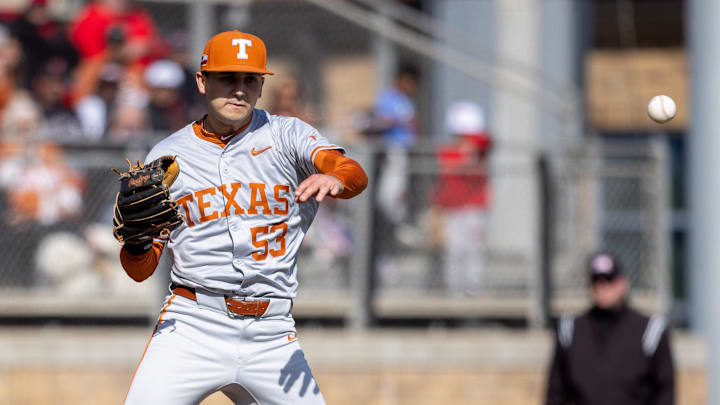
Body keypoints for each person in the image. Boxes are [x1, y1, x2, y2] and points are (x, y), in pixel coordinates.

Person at [119, 30, 368, 404]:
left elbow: (353, 173)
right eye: (227, 78)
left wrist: (334, 176)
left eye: (250, 79)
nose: (239, 90)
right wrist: (137, 244)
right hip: (193, 324)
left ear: (261, 86)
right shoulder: (168, 156)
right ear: (202, 81)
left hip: (272, 331)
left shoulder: (288, 135)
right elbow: (140, 270)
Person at [545, 251, 675, 405]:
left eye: (608, 280)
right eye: (596, 281)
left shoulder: (650, 330)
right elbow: (555, 391)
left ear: (623, 283)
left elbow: (665, 390)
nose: (602, 287)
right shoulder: (570, 330)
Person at [429, 101, 491, 295]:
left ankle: (473, 289)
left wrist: (471, 142)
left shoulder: (479, 148)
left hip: (474, 207)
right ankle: (455, 290)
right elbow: (445, 178)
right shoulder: (448, 151)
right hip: (453, 208)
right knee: (455, 251)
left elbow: (485, 140)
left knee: (474, 250)